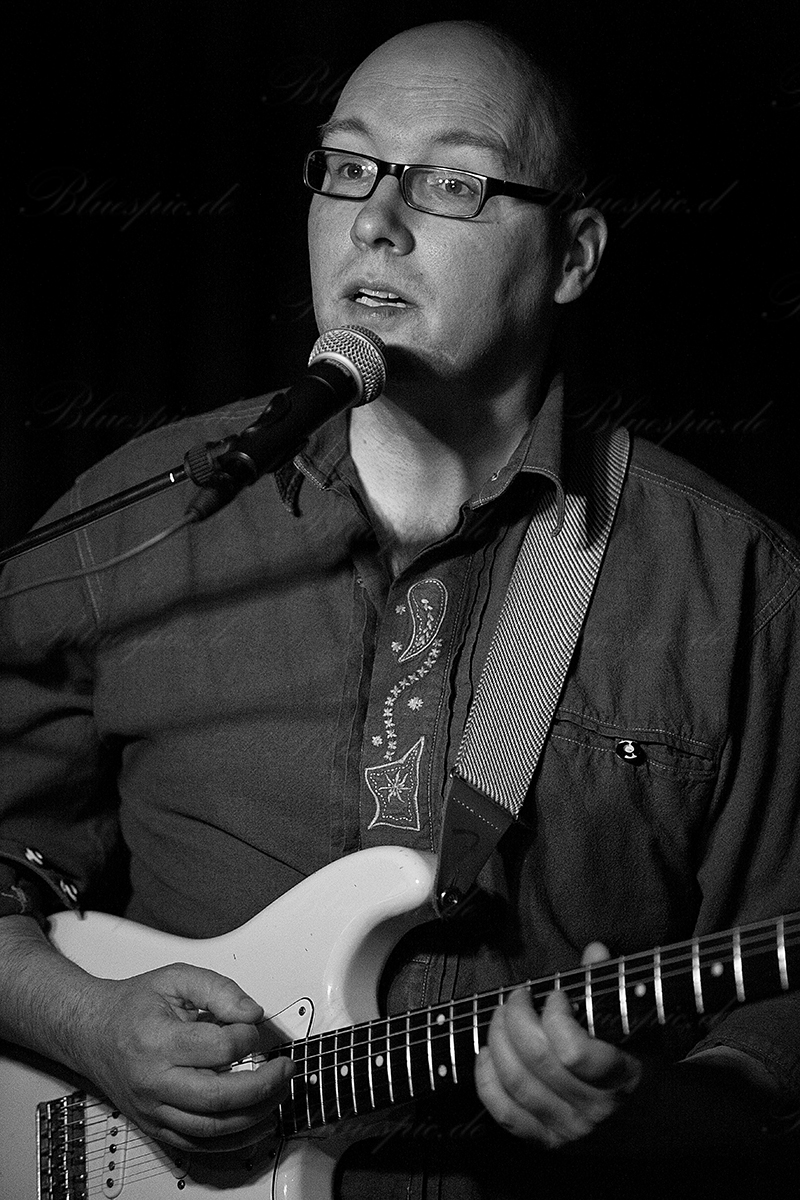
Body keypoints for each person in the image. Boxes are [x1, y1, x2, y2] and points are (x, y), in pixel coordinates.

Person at [1, 18, 799, 1199]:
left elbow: (777, 1023)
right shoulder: (138, 518)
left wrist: (651, 1113)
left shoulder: (733, 583)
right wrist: (87, 1024)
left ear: (573, 256)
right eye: (346, 166)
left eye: (451, 181)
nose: (374, 220)